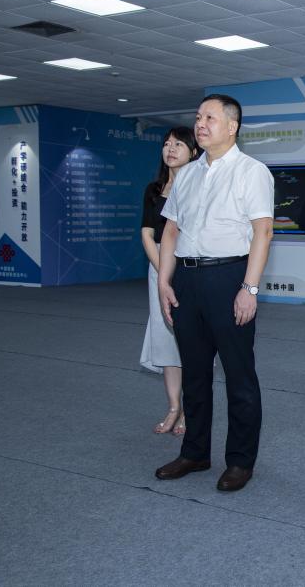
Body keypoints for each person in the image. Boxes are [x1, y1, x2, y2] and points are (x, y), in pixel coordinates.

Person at [153, 94, 274, 493]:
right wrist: (164, 282)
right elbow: (171, 231)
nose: (200, 124)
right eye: (198, 117)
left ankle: (240, 460)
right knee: (194, 372)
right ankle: (195, 452)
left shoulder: (251, 171)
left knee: (239, 375)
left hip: (229, 277)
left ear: (232, 127)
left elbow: (263, 232)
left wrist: (249, 288)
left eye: (210, 117)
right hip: (186, 280)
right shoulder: (187, 174)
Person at [139, 126, 198, 435]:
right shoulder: (154, 189)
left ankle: (190, 408)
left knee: (191, 340)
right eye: (166, 144)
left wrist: (175, 268)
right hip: (159, 266)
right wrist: (163, 269)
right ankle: (174, 407)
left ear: (194, 152)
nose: (170, 149)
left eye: (179, 144)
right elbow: (147, 234)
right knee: (165, 339)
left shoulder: (200, 187)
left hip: (190, 265)